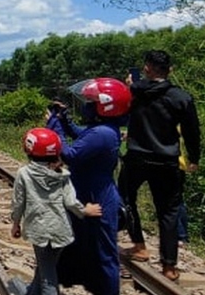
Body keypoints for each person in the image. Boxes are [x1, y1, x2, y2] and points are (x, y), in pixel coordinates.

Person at [118, 50, 200, 282]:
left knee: (125, 197)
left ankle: (139, 246)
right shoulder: (181, 97)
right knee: (169, 211)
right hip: (167, 161)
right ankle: (169, 266)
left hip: (137, 157)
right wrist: (193, 159)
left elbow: (118, 110)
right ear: (170, 70)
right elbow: (192, 133)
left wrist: (129, 87)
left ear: (146, 68)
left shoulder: (133, 92)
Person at [48, 77, 131, 295]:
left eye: (91, 102)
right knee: (85, 245)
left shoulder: (102, 133)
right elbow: (80, 134)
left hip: (97, 195)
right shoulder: (101, 128)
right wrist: (65, 120)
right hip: (89, 191)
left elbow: (70, 155)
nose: (86, 106)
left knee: (104, 253)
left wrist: (55, 127)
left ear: (105, 105)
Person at [10, 128, 103, 295]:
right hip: (61, 230)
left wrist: (16, 224)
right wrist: (85, 211)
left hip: (39, 231)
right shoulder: (62, 174)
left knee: (48, 278)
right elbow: (71, 202)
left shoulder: (24, 174)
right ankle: (32, 292)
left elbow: (18, 203)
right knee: (46, 265)